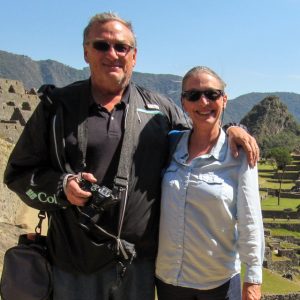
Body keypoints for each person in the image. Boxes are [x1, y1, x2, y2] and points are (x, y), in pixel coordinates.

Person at [4, 13, 259, 300]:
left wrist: (233, 128)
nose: (112, 54)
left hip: (138, 267)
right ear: (86, 52)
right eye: (101, 45)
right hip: (74, 265)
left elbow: (202, 128)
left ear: (134, 56)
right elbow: (18, 175)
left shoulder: (159, 110)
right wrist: (62, 187)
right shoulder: (56, 107)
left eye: (121, 47)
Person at [155, 66, 264, 300]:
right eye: (193, 95)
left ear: (224, 100)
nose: (203, 102)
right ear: (184, 103)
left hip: (218, 284)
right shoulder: (170, 145)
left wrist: (253, 279)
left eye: (212, 94)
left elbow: (250, 219)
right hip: (169, 280)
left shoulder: (239, 155)